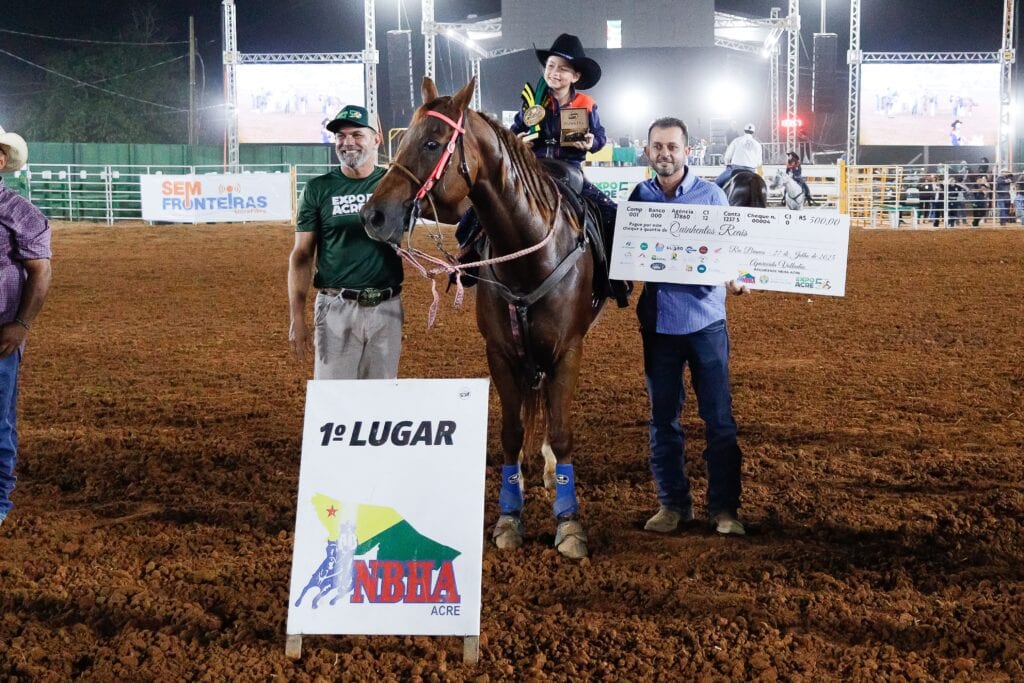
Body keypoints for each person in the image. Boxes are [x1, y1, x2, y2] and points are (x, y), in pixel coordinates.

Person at [629, 117, 748, 536]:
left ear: (687, 151)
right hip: (659, 325)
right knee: (663, 420)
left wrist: (738, 276)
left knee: (719, 419)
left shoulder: (712, 196)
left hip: (705, 322)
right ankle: (672, 505)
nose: (664, 154)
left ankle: (724, 510)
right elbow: (628, 251)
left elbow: (734, 250)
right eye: (657, 146)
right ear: (648, 151)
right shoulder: (639, 196)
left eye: (672, 147)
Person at [454, 33, 629, 306]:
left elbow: (600, 138)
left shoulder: (586, 105)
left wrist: (591, 142)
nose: (555, 73)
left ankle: (610, 278)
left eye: (563, 68)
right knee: (477, 211)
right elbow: (512, 133)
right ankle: (467, 263)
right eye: (551, 66)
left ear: (575, 76)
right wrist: (519, 141)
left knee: (611, 213)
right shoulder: (532, 101)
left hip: (569, 171)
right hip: (529, 170)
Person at [288, 105, 404, 379]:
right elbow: (302, 255)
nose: (347, 142)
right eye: (340, 136)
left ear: (376, 140)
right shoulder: (318, 189)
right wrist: (297, 317)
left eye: (357, 135)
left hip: (387, 308)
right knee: (334, 397)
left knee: (381, 397)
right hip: (336, 308)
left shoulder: (396, 184)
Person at [0, 126, 52, 528]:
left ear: (1, 160)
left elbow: (40, 271)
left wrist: (20, 324)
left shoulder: (20, 213)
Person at [715, 123, 762, 188]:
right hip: (751, 170)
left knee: (717, 182)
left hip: (736, 169)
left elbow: (728, 155)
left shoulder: (736, 141)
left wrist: (727, 164)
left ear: (744, 131)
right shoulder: (757, 144)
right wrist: (760, 174)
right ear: (753, 132)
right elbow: (759, 162)